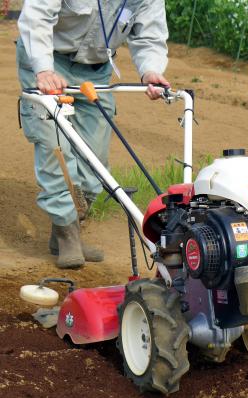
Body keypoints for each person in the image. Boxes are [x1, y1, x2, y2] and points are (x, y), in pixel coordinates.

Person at [17, 0, 170, 269]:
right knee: (55, 146)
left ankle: (67, 226)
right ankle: (67, 234)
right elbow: (37, 15)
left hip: (97, 70)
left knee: (94, 160)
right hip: (49, 59)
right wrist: (43, 68)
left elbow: (149, 33)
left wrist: (151, 70)